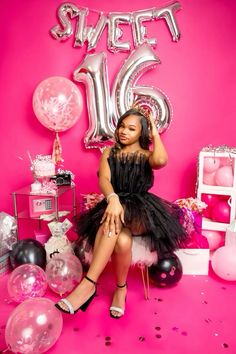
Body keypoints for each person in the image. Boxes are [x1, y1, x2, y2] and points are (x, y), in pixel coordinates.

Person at [55, 106, 187, 318]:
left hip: (141, 211)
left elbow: (161, 161)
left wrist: (154, 132)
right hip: (114, 204)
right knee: (122, 241)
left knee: (115, 218)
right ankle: (121, 289)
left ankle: (89, 284)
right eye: (122, 126)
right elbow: (104, 180)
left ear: (142, 133)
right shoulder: (109, 152)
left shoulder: (147, 155)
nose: (124, 131)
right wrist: (113, 198)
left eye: (131, 128)